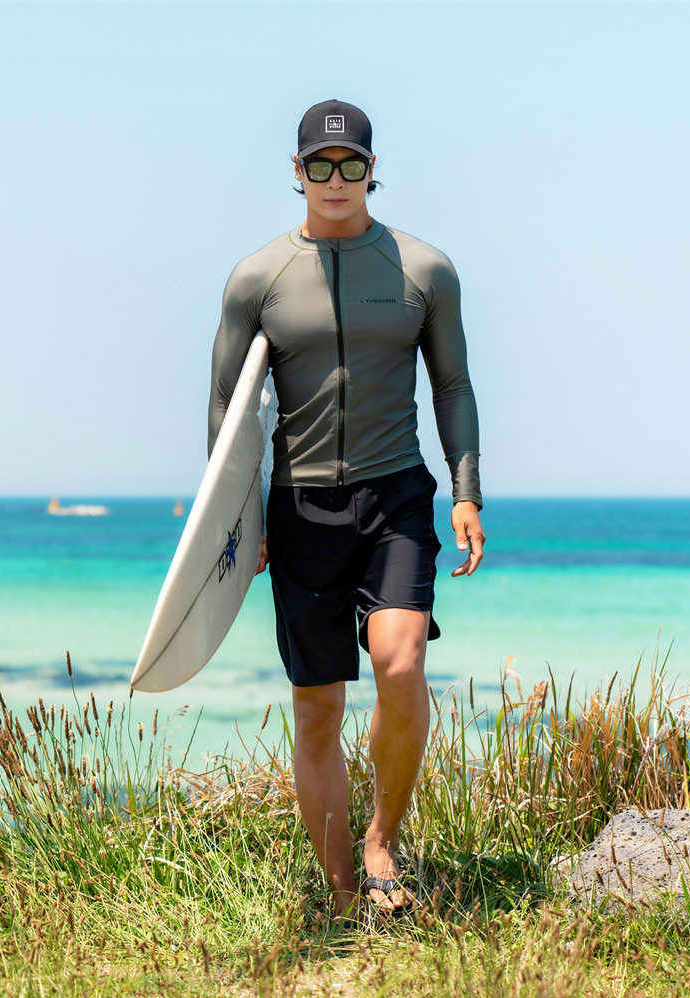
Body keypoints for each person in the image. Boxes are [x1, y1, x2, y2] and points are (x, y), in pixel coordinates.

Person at [207, 99, 485, 922]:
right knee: (318, 705)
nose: (336, 180)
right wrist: (239, 521)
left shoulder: (423, 270)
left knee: (400, 665)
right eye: (320, 166)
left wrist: (465, 490)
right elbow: (225, 408)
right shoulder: (257, 278)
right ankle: (339, 894)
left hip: (394, 493)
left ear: (371, 170)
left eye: (351, 164)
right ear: (297, 172)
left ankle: (381, 845)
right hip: (299, 507)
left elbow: (452, 385)